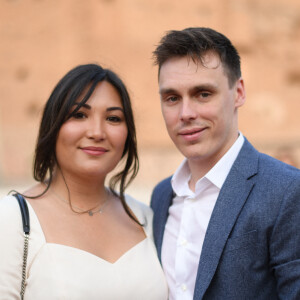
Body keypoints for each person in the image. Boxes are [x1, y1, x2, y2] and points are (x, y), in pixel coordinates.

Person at [150, 27, 300, 300]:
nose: (186, 113)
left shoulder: (288, 191)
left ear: (238, 92)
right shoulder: (160, 197)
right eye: (172, 98)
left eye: (203, 94)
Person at [0, 64, 168, 299]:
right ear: (53, 125)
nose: (97, 132)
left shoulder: (144, 217)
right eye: (79, 115)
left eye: (113, 118)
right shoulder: (13, 219)